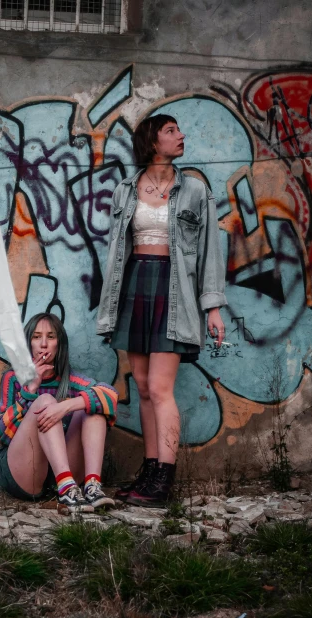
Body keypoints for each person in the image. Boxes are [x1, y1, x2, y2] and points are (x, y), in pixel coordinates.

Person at [97, 114, 227, 507]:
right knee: (141, 388)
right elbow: (116, 252)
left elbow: (209, 252)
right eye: (171, 131)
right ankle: (150, 472)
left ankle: (164, 481)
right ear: (153, 141)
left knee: (159, 387)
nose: (181, 135)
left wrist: (213, 307)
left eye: (179, 130)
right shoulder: (126, 189)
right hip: (135, 286)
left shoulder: (194, 190)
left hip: (175, 292)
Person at [0, 312, 118, 512]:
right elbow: (2, 433)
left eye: (50, 337)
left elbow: (110, 395)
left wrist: (66, 406)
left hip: (62, 477)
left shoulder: (71, 381)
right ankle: (66, 488)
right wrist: (30, 391)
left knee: (94, 408)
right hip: (24, 471)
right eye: (37, 337)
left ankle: (92, 487)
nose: (43, 344)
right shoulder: (13, 379)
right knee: (45, 401)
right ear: (28, 343)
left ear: (59, 344)